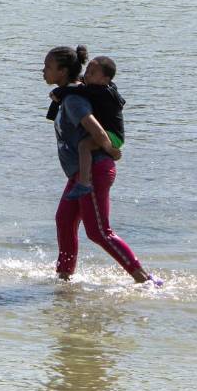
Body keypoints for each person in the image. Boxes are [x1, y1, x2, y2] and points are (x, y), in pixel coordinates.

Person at [42, 45, 156, 284]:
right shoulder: (68, 96)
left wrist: (111, 150)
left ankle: (144, 280)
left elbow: (98, 132)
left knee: (98, 232)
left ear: (62, 72)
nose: (43, 71)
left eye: (48, 67)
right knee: (64, 220)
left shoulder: (74, 101)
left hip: (93, 171)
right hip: (79, 173)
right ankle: (64, 280)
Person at [47, 55, 125, 200]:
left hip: (113, 135)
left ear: (105, 79)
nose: (87, 75)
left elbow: (80, 91)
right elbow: (81, 86)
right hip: (108, 133)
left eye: (92, 73)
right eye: (87, 70)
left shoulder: (100, 91)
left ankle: (84, 183)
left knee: (84, 145)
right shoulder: (101, 86)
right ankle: (82, 181)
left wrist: (111, 151)